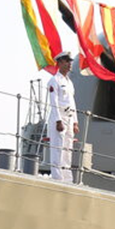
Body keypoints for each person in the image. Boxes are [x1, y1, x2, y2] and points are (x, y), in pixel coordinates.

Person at [46, 51, 78, 183]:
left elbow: (72, 102)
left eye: (70, 61)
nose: (69, 64)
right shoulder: (54, 81)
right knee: (57, 148)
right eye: (66, 61)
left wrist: (75, 122)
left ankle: (67, 178)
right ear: (59, 63)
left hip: (69, 117)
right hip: (59, 117)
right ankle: (57, 178)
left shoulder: (69, 82)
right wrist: (58, 121)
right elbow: (54, 102)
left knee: (67, 149)